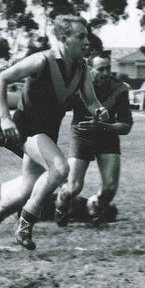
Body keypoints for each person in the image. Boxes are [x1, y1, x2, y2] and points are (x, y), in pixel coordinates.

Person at [0, 15, 107, 253]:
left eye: (87, 36)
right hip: (26, 128)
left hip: (46, 133)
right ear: (64, 38)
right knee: (60, 169)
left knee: (25, 191)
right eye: (81, 36)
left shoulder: (81, 67)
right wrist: (4, 118)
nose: (87, 42)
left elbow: (91, 100)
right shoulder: (41, 60)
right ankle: (25, 225)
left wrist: (100, 111)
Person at [54, 51, 133, 225]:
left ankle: (92, 208)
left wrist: (103, 126)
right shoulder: (78, 85)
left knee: (110, 188)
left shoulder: (119, 88)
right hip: (82, 136)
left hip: (108, 136)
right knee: (73, 187)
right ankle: (61, 206)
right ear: (89, 69)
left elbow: (126, 126)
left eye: (108, 68)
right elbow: (59, 106)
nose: (106, 73)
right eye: (101, 69)